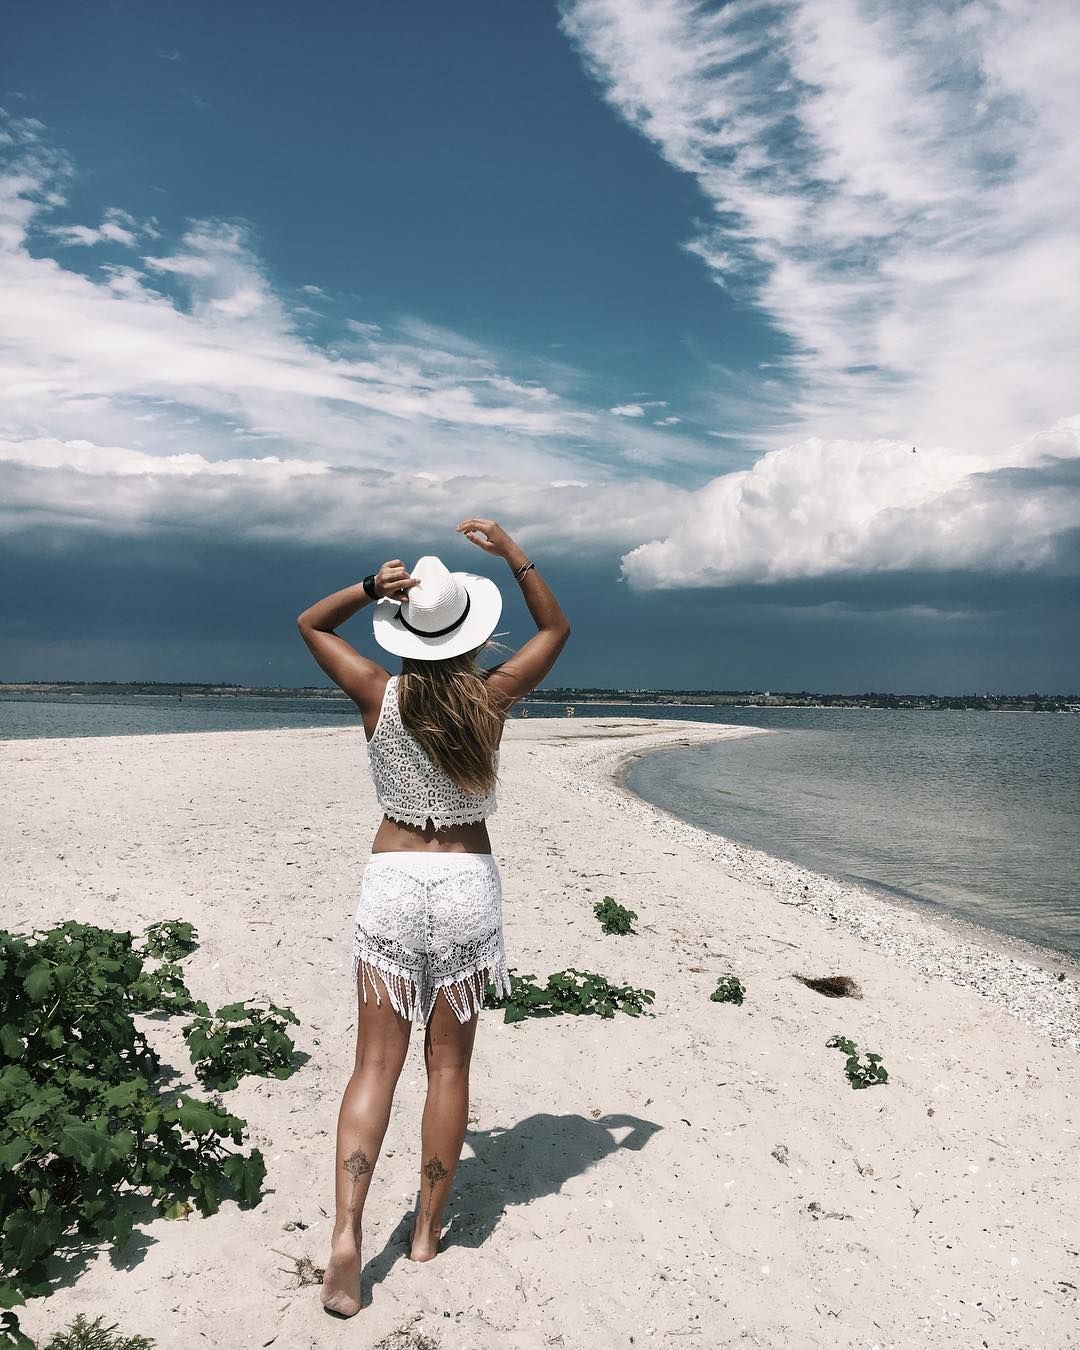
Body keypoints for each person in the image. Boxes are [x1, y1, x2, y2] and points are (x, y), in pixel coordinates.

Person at [295, 517, 570, 1318]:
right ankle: (423, 1232)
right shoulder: (492, 698)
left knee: (373, 1068)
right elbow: (556, 629)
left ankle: (348, 1233)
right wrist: (515, 554)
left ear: (405, 633)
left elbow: (310, 624)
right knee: (447, 1069)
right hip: (465, 885)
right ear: (469, 634)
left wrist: (367, 587)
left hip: (392, 879)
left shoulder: (377, 693)